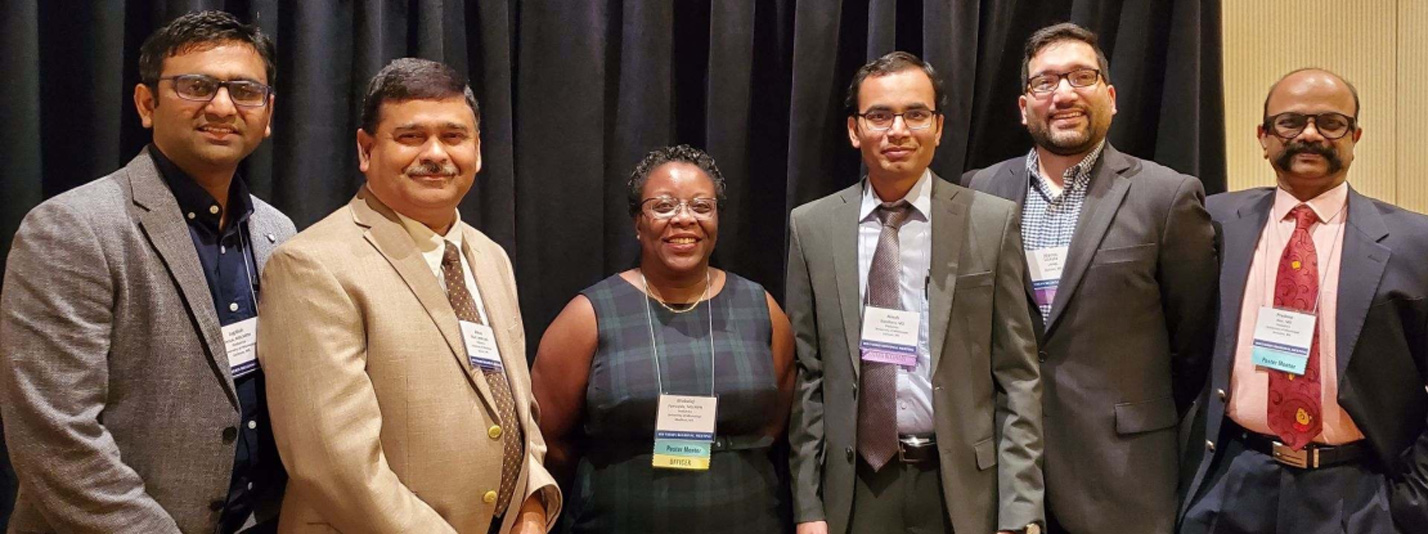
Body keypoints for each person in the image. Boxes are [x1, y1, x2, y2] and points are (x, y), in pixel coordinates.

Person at [0, 10, 294, 533]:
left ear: (267, 113)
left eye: (245, 90)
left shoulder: (278, 232)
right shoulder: (72, 228)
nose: (222, 105)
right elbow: (56, 439)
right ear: (145, 103)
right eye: (196, 86)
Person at [1179, 68, 1428, 534]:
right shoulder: (1212, 222)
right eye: (1290, 122)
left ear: (1355, 136)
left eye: (1331, 122)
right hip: (1233, 484)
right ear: (1263, 136)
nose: (1310, 134)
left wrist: (1417, 507)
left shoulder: (1427, 246)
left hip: (1363, 494)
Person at [256, 58, 559, 534]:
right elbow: (336, 465)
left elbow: (519, 411)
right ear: (366, 149)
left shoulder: (491, 257)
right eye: (411, 136)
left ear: (478, 151)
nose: (436, 153)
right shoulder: (313, 264)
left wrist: (531, 505)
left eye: (454, 137)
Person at [960, 23, 1217, 534]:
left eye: (1082, 76)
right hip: (1006, 476)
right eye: (1046, 82)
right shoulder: (979, 191)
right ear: (1023, 104)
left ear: (1111, 96)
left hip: (1121, 472)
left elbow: (1194, 342)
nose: (1064, 94)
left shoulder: (1168, 197)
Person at [785, 51, 1044, 534]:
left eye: (916, 114)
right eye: (879, 115)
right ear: (854, 130)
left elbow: (1018, 376)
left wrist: (1022, 509)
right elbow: (808, 378)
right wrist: (808, 507)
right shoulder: (813, 227)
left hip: (963, 490)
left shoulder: (991, 221)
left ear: (939, 126)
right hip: (855, 489)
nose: (898, 130)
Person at [530, 145, 797, 533]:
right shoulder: (588, 315)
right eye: (664, 206)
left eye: (701, 206)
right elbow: (550, 439)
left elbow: (775, 422)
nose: (684, 219)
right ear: (638, 222)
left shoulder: (761, 307)